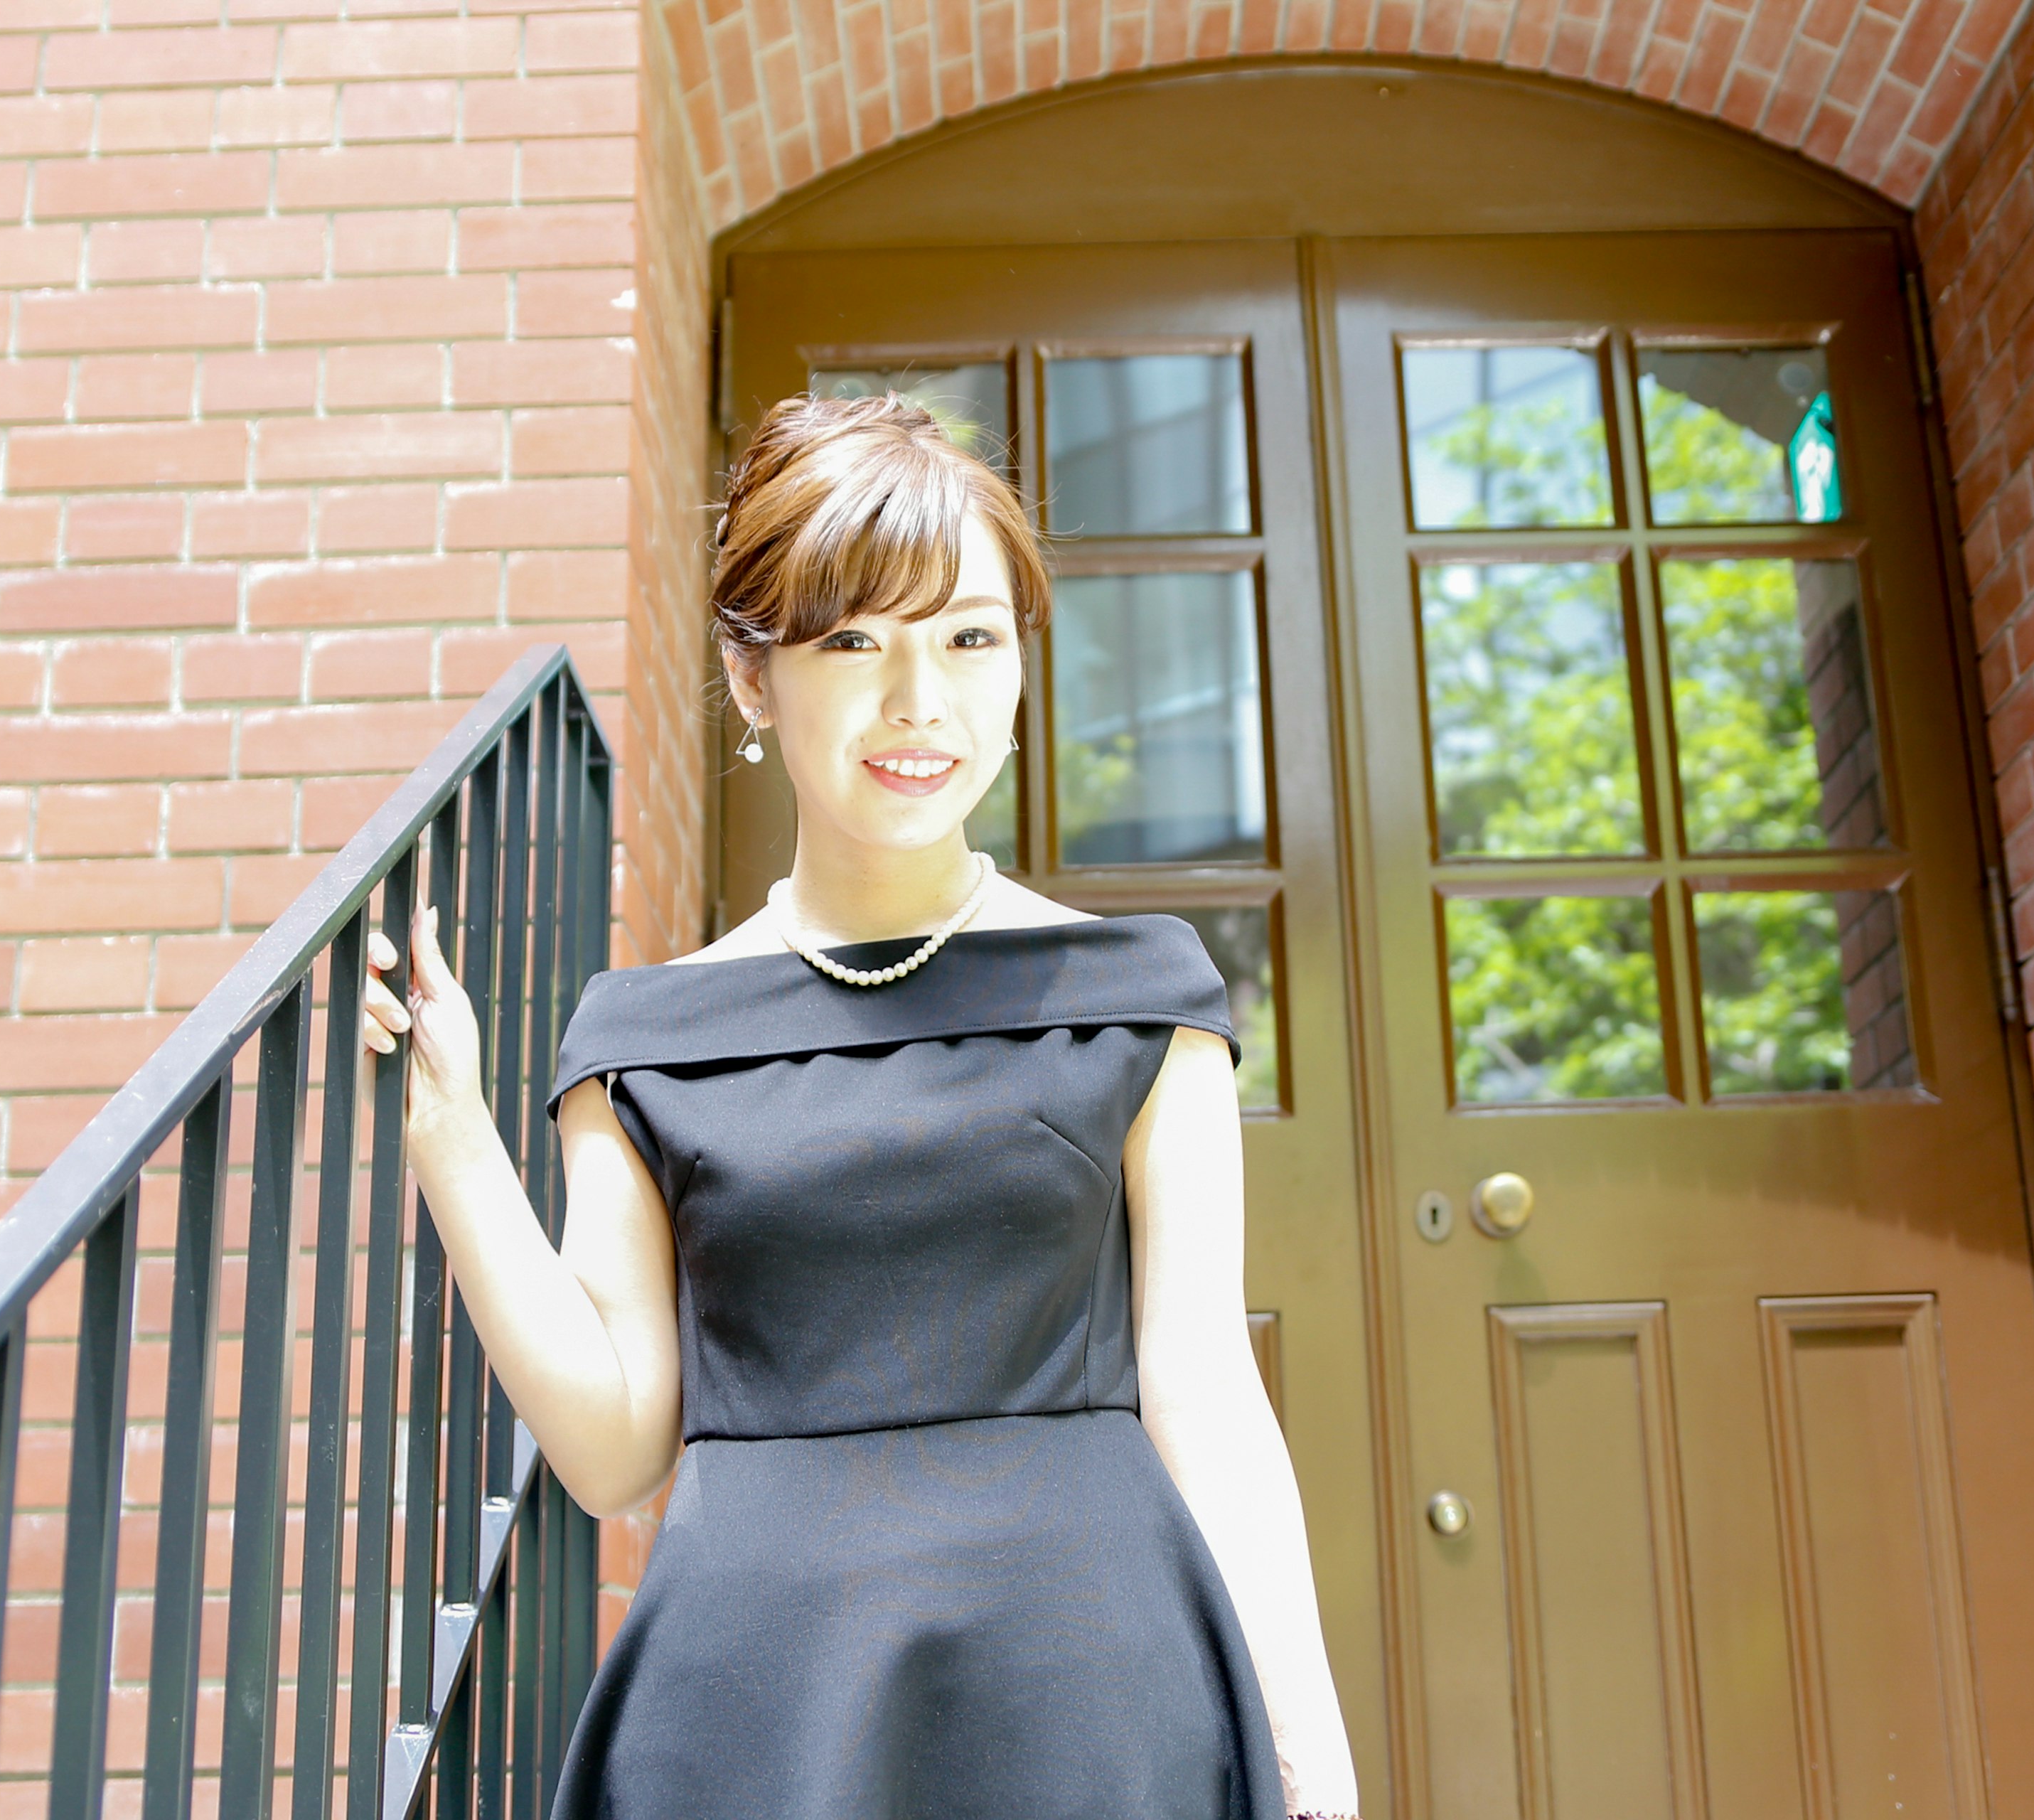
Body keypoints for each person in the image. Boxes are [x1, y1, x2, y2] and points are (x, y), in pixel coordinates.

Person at [358, 392, 1359, 1819]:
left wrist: (1314, 1756)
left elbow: (1205, 1391)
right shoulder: (646, 1039)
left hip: (1097, 1699)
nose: (920, 703)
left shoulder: (1140, 997)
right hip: (755, 1717)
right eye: (852, 641)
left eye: (967, 638)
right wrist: (455, 1136)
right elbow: (615, 1443)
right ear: (752, 678)